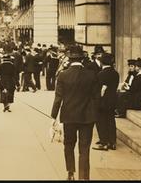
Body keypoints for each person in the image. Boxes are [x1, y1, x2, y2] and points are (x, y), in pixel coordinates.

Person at [51, 45, 100, 181]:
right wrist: (93, 112)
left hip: (69, 116)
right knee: (84, 148)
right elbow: (97, 98)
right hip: (87, 117)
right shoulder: (92, 75)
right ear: (82, 59)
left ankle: (71, 172)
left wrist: (53, 117)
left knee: (69, 145)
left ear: (69, 59)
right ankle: (84, 177)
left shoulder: (63, 75)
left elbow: (58, 98)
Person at [94, 53, 119, 151]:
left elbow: (101, 90)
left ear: (102, 62)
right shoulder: (115, 73)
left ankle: (104, 142)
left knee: (101, 121)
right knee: (111, 120)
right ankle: (112, 142)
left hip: (103, 101)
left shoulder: (101, 74)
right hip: (112, 100)